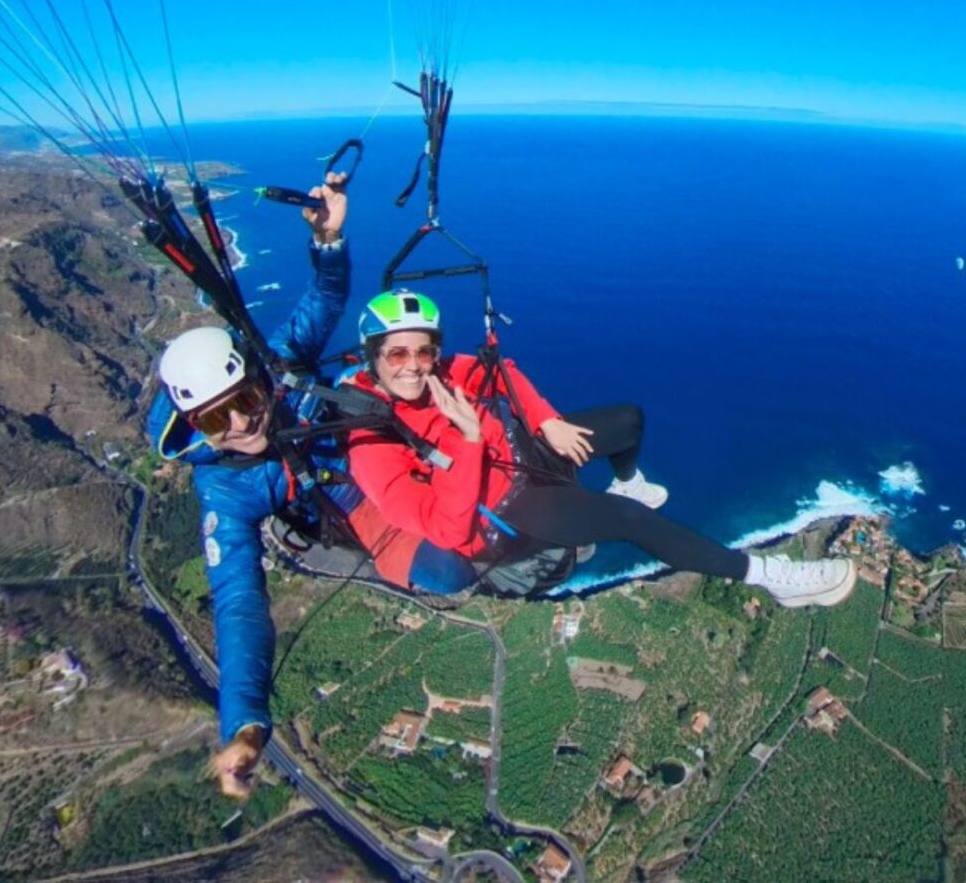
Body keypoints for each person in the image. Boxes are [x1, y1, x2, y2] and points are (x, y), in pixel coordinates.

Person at [149, 177, 469, 798]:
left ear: (257, 383)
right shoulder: (224, 488)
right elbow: (239, 602)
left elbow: (325, 298)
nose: (241, 424)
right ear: (195, 427)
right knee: (454, 571)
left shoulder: (284, 370)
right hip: (362, 518)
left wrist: (329, 241)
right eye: (217, 419)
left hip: (393, 464)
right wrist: (244, 724)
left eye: (242, 401)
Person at [346, 289, 857, 608]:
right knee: (628, 522)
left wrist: (547, 422)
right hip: (500, 509)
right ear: (373, 357)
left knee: (626, 421)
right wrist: (469, 438)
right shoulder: (372, 441)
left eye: (423, 350)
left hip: (524, 458)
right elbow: (447, 528)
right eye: (397, 353)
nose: (413, 365)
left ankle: (628, 482)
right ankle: (772, 577)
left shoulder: (444, 370)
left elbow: (506, 373)